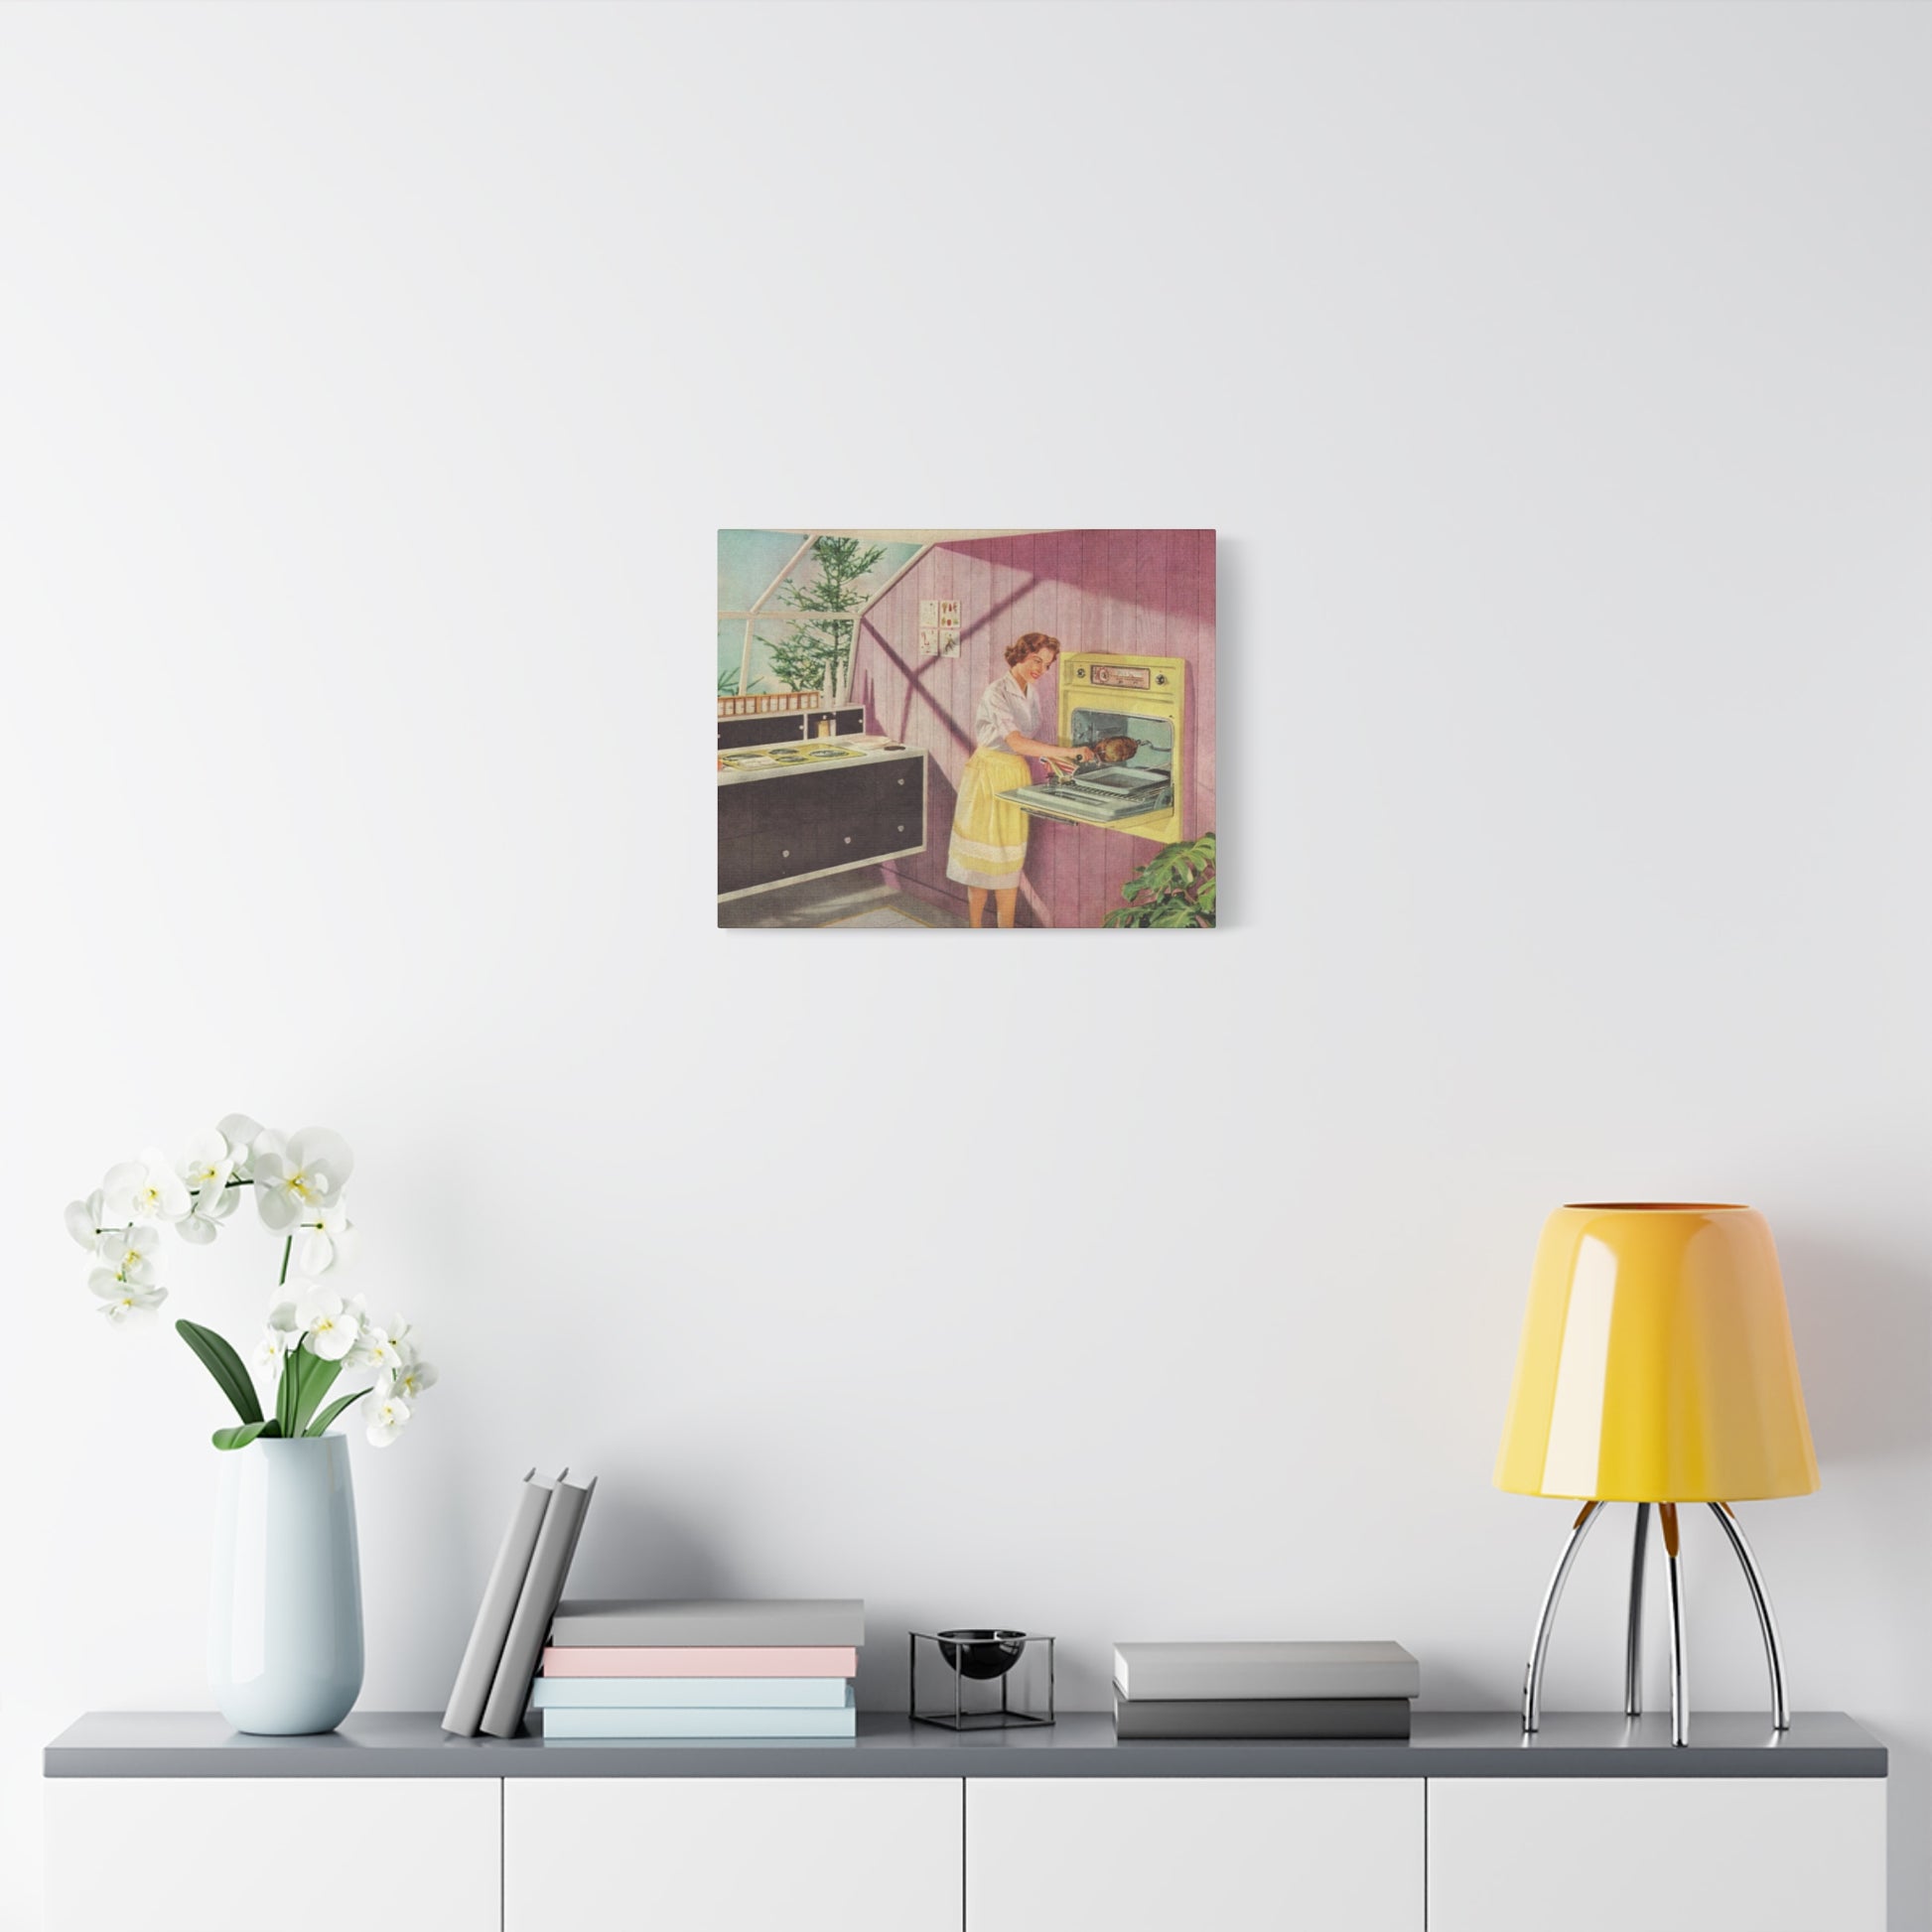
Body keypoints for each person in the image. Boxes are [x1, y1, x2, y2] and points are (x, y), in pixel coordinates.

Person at [945, 632, 1090, 927]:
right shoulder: (995, 692)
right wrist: (1069, 752)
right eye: (1037, 660)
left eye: (1047, 665)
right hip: (987, 776)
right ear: (1021, 654)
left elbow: (1028, 742)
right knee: (982, 863)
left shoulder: (1030, 692)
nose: (1041, 669)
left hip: (1013, 773)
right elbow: (1017, 742)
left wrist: (1053, 759)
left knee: (1007, 864)